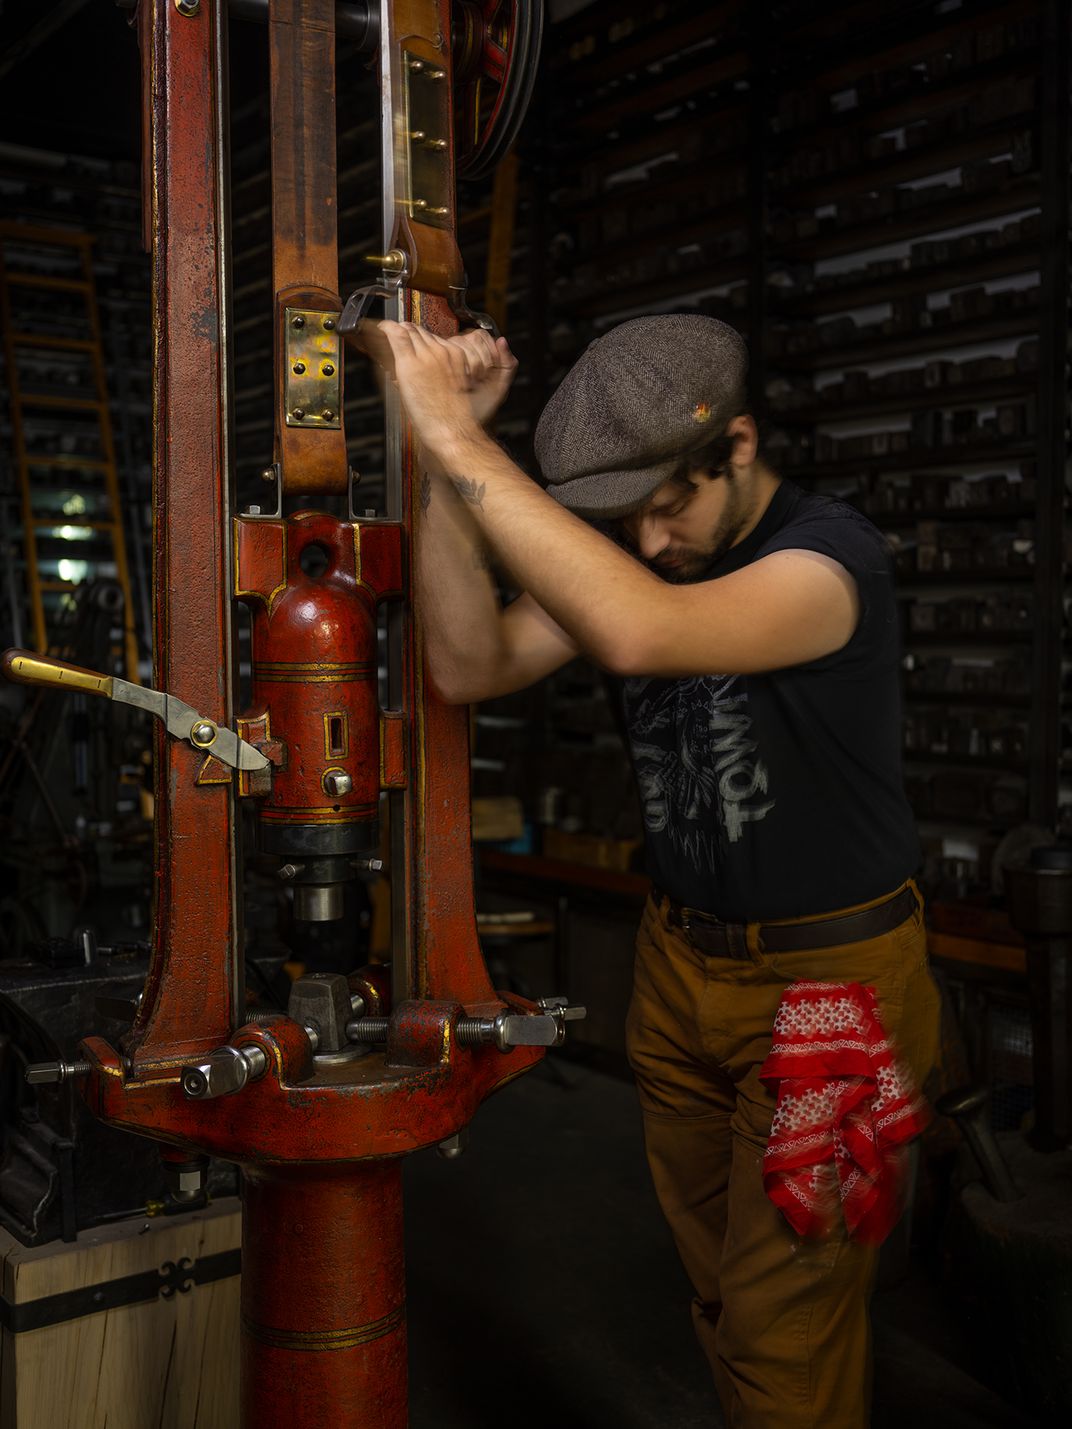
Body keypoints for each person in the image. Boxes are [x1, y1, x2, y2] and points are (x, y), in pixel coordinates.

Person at [359, 312, 942, 1429]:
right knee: (722, 1295)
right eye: (624, 519)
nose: (651, 539)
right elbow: (469, 660)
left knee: (784, 1325)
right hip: (679, 970)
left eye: (667, 504)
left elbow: (638, 631)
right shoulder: (643, 554)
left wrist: (456, 433)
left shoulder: (827, 562)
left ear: (737, 444)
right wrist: (440, 463)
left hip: (826, 992)